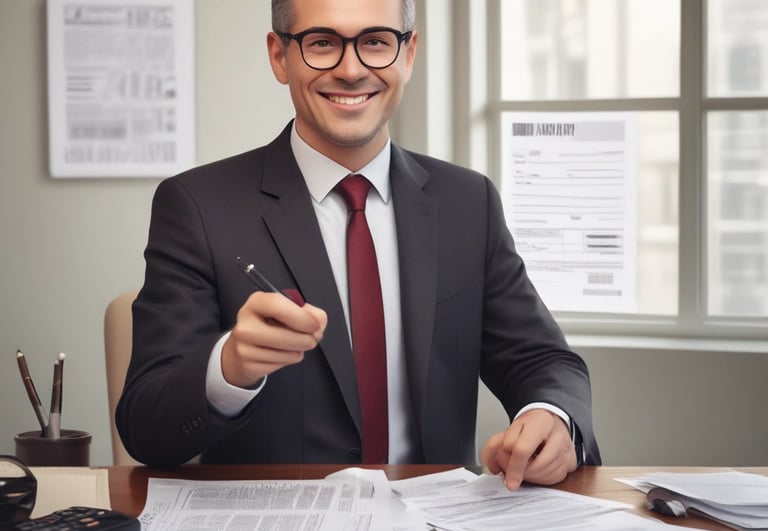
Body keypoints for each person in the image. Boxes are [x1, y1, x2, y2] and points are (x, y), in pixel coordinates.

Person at [116, 0, 601, 490]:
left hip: (436, 526)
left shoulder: (468, 201)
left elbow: (542, 361)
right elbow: (146, 429)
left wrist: (553, 418)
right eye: (322, 43)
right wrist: (230, 366)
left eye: (375, 42)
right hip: (280, 530)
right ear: (279, 56)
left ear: (408, 54)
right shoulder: (198, 206)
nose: (351, 70)